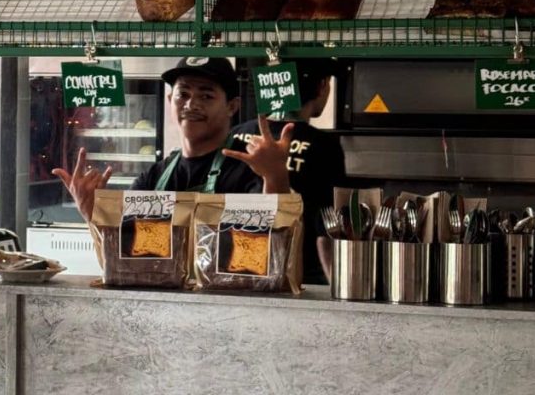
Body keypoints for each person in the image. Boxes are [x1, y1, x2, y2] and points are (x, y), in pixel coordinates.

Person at [52, 56, 293, 224]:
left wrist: (275, 178)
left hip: (229, 297)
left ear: (232, 106)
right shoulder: (155, 177)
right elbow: (123, 252)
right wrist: (91, 212)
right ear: (170, 101)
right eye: (183, 94)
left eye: (206, 95)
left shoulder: (249, 168)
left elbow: (275, 237)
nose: (191, 104)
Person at [228, 59, 347, 285]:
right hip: (298, 275)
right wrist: (337, 287)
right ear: (323, 86)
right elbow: (327, 227)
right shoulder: (324, 146)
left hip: (234, 267)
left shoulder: (235, 135)